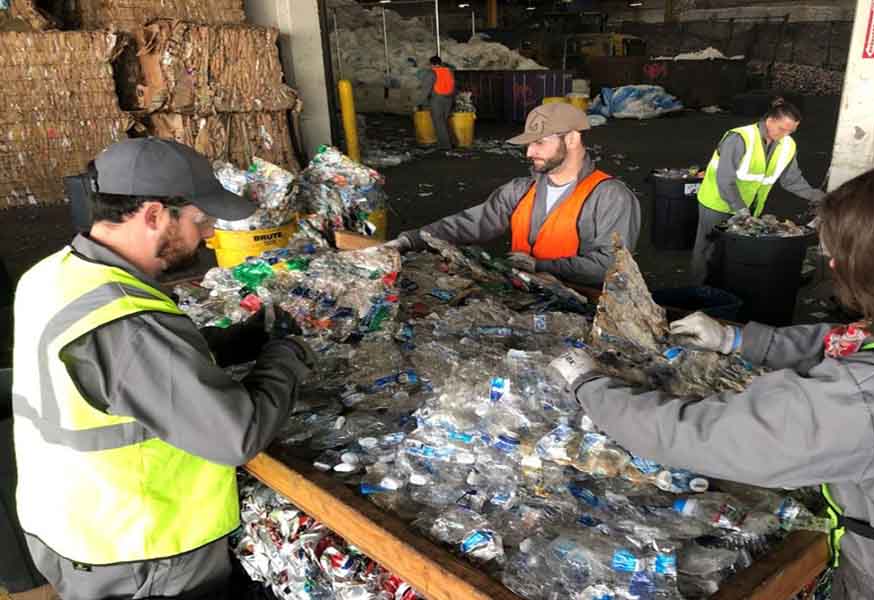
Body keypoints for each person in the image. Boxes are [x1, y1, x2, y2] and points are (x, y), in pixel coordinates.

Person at [550, 157, 874, 600]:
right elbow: (852, 340)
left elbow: (702, 436)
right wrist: (737, 339)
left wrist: (591, 386)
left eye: (843, 258)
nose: (833, 269)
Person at [11, 138, 316, 600]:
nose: (208, 235)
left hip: (71, 522)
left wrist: (240, 340)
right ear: (154, 215)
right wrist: (287, 353)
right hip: (140, 549)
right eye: (200, 220)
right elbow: (237, 434)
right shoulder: (126, 321)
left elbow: (123, 372)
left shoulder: (55, 273)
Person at [387, 103, 641, 288]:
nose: (529, 152)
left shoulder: (610, 197)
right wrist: (411, 240)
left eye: (539, 142)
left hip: (584, 308)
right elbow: (470, 223)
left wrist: (540, 266)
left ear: (572, 139)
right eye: (529, 143)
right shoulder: (521, 189)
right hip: (527, 295)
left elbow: (610, 267)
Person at [691, 98, 824, 285]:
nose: (785, 135)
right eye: (782, 129)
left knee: (735, 251)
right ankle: (700, 291)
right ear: (769, 121)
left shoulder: (787, 145)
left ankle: (725, 292)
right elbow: (725, 179)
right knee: (709, 250)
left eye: (791, 131)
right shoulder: (739, 138)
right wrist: (741, 210)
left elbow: (791, 180)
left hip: (749, 208)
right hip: (717, 203)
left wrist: (819, 197)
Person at [417, 55, 456, 150]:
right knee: (444, 122)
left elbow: (426, 90)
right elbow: (453, 85)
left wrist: (419, 103)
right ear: (440, 63)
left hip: (437, 100)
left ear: (432, 64)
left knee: (439, 123)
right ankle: (451, 142)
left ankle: (445, 145)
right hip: (449, 99)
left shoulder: (431, 73)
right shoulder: (449, 71)